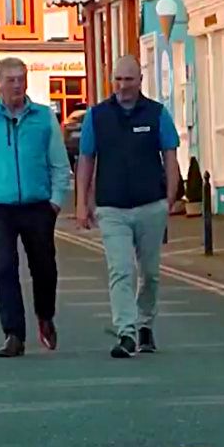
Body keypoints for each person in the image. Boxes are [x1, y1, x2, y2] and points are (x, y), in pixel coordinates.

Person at [0, 56, 71, 357]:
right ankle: (13, 334)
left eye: (21, 79)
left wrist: (55, 201)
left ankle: (45, 316)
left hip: (38, 206)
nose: (16, 85)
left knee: (45, 268)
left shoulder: (43, 117)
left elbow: (59, 163)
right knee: (5, 269)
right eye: (10, 80)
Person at [76, 54, 180, 358]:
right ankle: (126, 333)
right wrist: (82, 203)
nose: (123, 86)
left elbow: (170, 156)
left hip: (150, 205)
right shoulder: (96, 116)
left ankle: (145, 323)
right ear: (112, 81)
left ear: (140, 81)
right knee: (120, 270)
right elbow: (86, 160)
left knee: (150, 273)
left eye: (129, 79)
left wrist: (169, 198)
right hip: (111, 209)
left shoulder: (157, 114)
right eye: (118, 79)